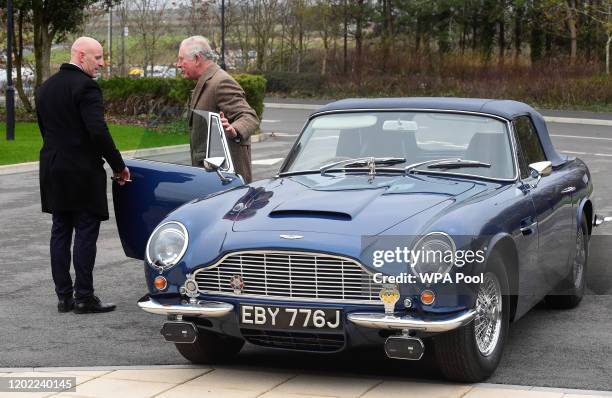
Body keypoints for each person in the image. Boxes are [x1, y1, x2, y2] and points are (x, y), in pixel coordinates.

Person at [36, 37, 130, 314]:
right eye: (98, 57)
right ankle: (84, 297)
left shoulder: (45, 88)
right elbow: (98, 131)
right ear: (80, 55)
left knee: (60, 230)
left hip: (53, 169)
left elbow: (46, 130)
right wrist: (118, 165)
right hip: (82, 171)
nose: (102, 63)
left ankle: (64, 297)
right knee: (86, 231)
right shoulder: (87, 86)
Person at [176, 35, 259, 183]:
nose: (178, 64)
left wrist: (235, 130)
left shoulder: (221, 82)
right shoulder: (208, 81)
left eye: (181, 59)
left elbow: (249, 116)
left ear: (196, 58)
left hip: (226, 181)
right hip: (213, 178)